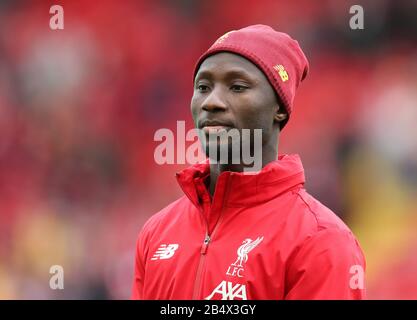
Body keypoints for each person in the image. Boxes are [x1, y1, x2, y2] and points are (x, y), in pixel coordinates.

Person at [131, 24, 366, 300]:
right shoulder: (156, 232)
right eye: (203, 87)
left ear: (278, 107)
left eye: (237, 87)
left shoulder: (321, 241)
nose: (211, 102)